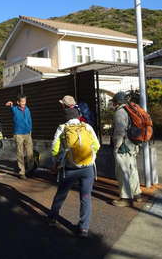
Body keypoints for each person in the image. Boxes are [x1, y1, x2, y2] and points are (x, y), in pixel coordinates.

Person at [48, 96, 100, 238]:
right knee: (85, 197)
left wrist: (57, 162)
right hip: (88, 168)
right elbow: (96, 145)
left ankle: (53, 218)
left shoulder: (62, 128)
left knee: (61, 194)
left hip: (70, 169)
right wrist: (90, 158)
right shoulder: (87, 127)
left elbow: (54, 149)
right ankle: (84, 228)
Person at [110, 92, 143, 207]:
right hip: (133, 144)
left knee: (123, 172)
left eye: (113, 101)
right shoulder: (131, 110)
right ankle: (137, 194)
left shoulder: (120, 112)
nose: (112, 104)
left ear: (117, 102)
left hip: (123, 146)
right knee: (132, 170)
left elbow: (120, 131)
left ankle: (125, 198)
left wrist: (116, 146)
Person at [5, 94, 33, 179]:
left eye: (25, 101)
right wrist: (10, 104)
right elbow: (11, 106)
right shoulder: (15, 109)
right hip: (18, 134)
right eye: (22, 101)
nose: (24, 103)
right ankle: (22, 172)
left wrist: (30, 130)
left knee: (30, 153)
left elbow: (30, 120)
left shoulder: (27, 109)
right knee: (20, 153)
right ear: (18, 102)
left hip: (28, 133)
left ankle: (30, 170)